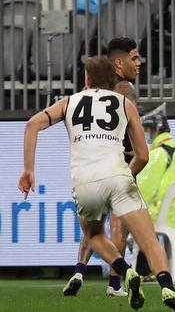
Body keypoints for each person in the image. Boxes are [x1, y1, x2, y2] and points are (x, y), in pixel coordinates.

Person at [18, 57, 175, 311]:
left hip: (85, 181)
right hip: (118, 176)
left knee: (95, 235)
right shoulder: (125, 104)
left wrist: (28, 169)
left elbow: (32, 124)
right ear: (113, 81)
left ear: (86, 80)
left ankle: (125, 271)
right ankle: (167, 287)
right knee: (149, 240)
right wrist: (127, 176)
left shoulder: (68, 102)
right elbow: (142, 155)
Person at [63, 37, 142, 297]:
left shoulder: (90, 93)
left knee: (94, 225)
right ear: (119, 62)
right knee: (120, 225)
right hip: (118, 161)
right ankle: (115, 284)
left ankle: (78, 271)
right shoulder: (124, 90)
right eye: (134, 58)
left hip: (90, 165)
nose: (138, 63)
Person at [134, 109, 175, 277]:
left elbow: (143, 191)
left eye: (146, 131)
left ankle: (144, 271)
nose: (145, 135)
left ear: (154, 130)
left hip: (163, 214)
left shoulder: (157, 154)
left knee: (134, 215)